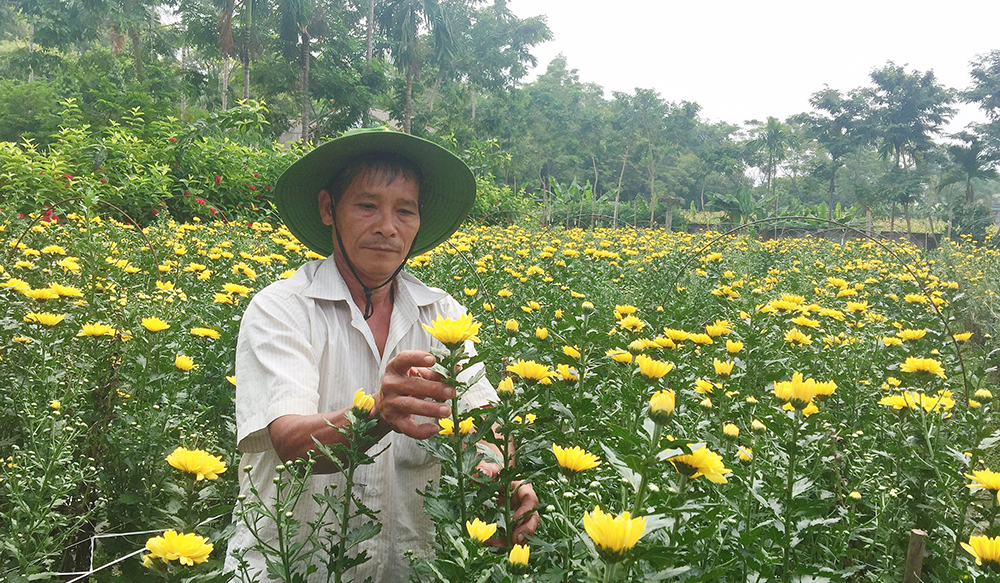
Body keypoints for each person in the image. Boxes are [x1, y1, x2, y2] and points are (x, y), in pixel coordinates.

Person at [224, 128, 538, 582]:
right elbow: (290, 443)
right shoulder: (282, 309)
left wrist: (494, 473)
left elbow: (483, 418)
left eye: (404, 210)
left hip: (409, 567)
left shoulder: (442, 313)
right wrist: (377, 415)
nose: (387, 227)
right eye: (367, 205)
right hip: (291, 569)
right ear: (328, 208)